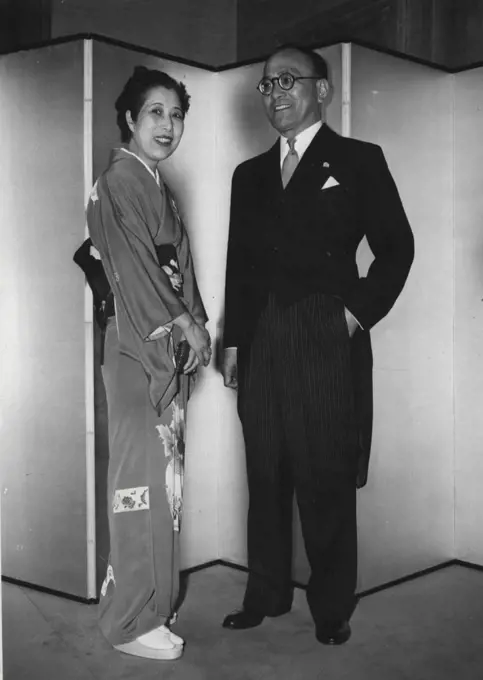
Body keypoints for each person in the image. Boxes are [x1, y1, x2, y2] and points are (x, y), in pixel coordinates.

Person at [222, 45, 414, 645]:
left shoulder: (358, 161)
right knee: (266, 475)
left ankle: (331, 609)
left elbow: (397, 248)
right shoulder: (248, 174)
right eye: (266, 84)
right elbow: (239, 266)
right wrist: (233, 344)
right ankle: (267, 593)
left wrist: (353, 317)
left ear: (322, 91)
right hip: (261, 341)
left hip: (325, 335)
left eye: (288, 80)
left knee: (324, 477)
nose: (276, 92)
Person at [85, 66, 211, 660]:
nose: (167, 125)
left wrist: (199, 321)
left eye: (176, 114)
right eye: (154, 113)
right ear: (130, 121)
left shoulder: (156, 184)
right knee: (139, 482)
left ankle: (153, 603)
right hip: (140, 348)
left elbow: (178, 266)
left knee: (166, 483)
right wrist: (185, 324)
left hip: (162, 346)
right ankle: (129, 617)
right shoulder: (118, 181)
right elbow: (132, 272)